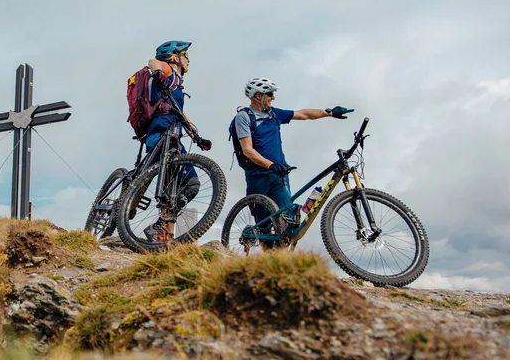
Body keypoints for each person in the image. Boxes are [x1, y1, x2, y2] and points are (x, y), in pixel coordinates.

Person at [233, 77, 352, 234]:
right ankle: (265, 252)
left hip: (279, 175)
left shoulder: (274, 114)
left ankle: (282, 255)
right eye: (269, 94)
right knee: (263, 225)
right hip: (258, 176)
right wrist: (271, 165)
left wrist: (329, 112)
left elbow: (303, 114)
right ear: (258, 96)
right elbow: (247, 149)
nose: (273, 97)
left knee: (285, 220)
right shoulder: (244, 117)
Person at [142, 40, 211, 242]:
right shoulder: (168, 72)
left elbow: (180, 113)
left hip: (171, 137)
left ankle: (165, 238)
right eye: (186, 55)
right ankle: (160, 228)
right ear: (174, 57)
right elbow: (152, 62)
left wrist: (196, 135)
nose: (189, 60)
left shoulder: (177, 84)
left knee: (172, 191)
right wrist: (158, 74)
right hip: (163, 136)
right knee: (190, 184)